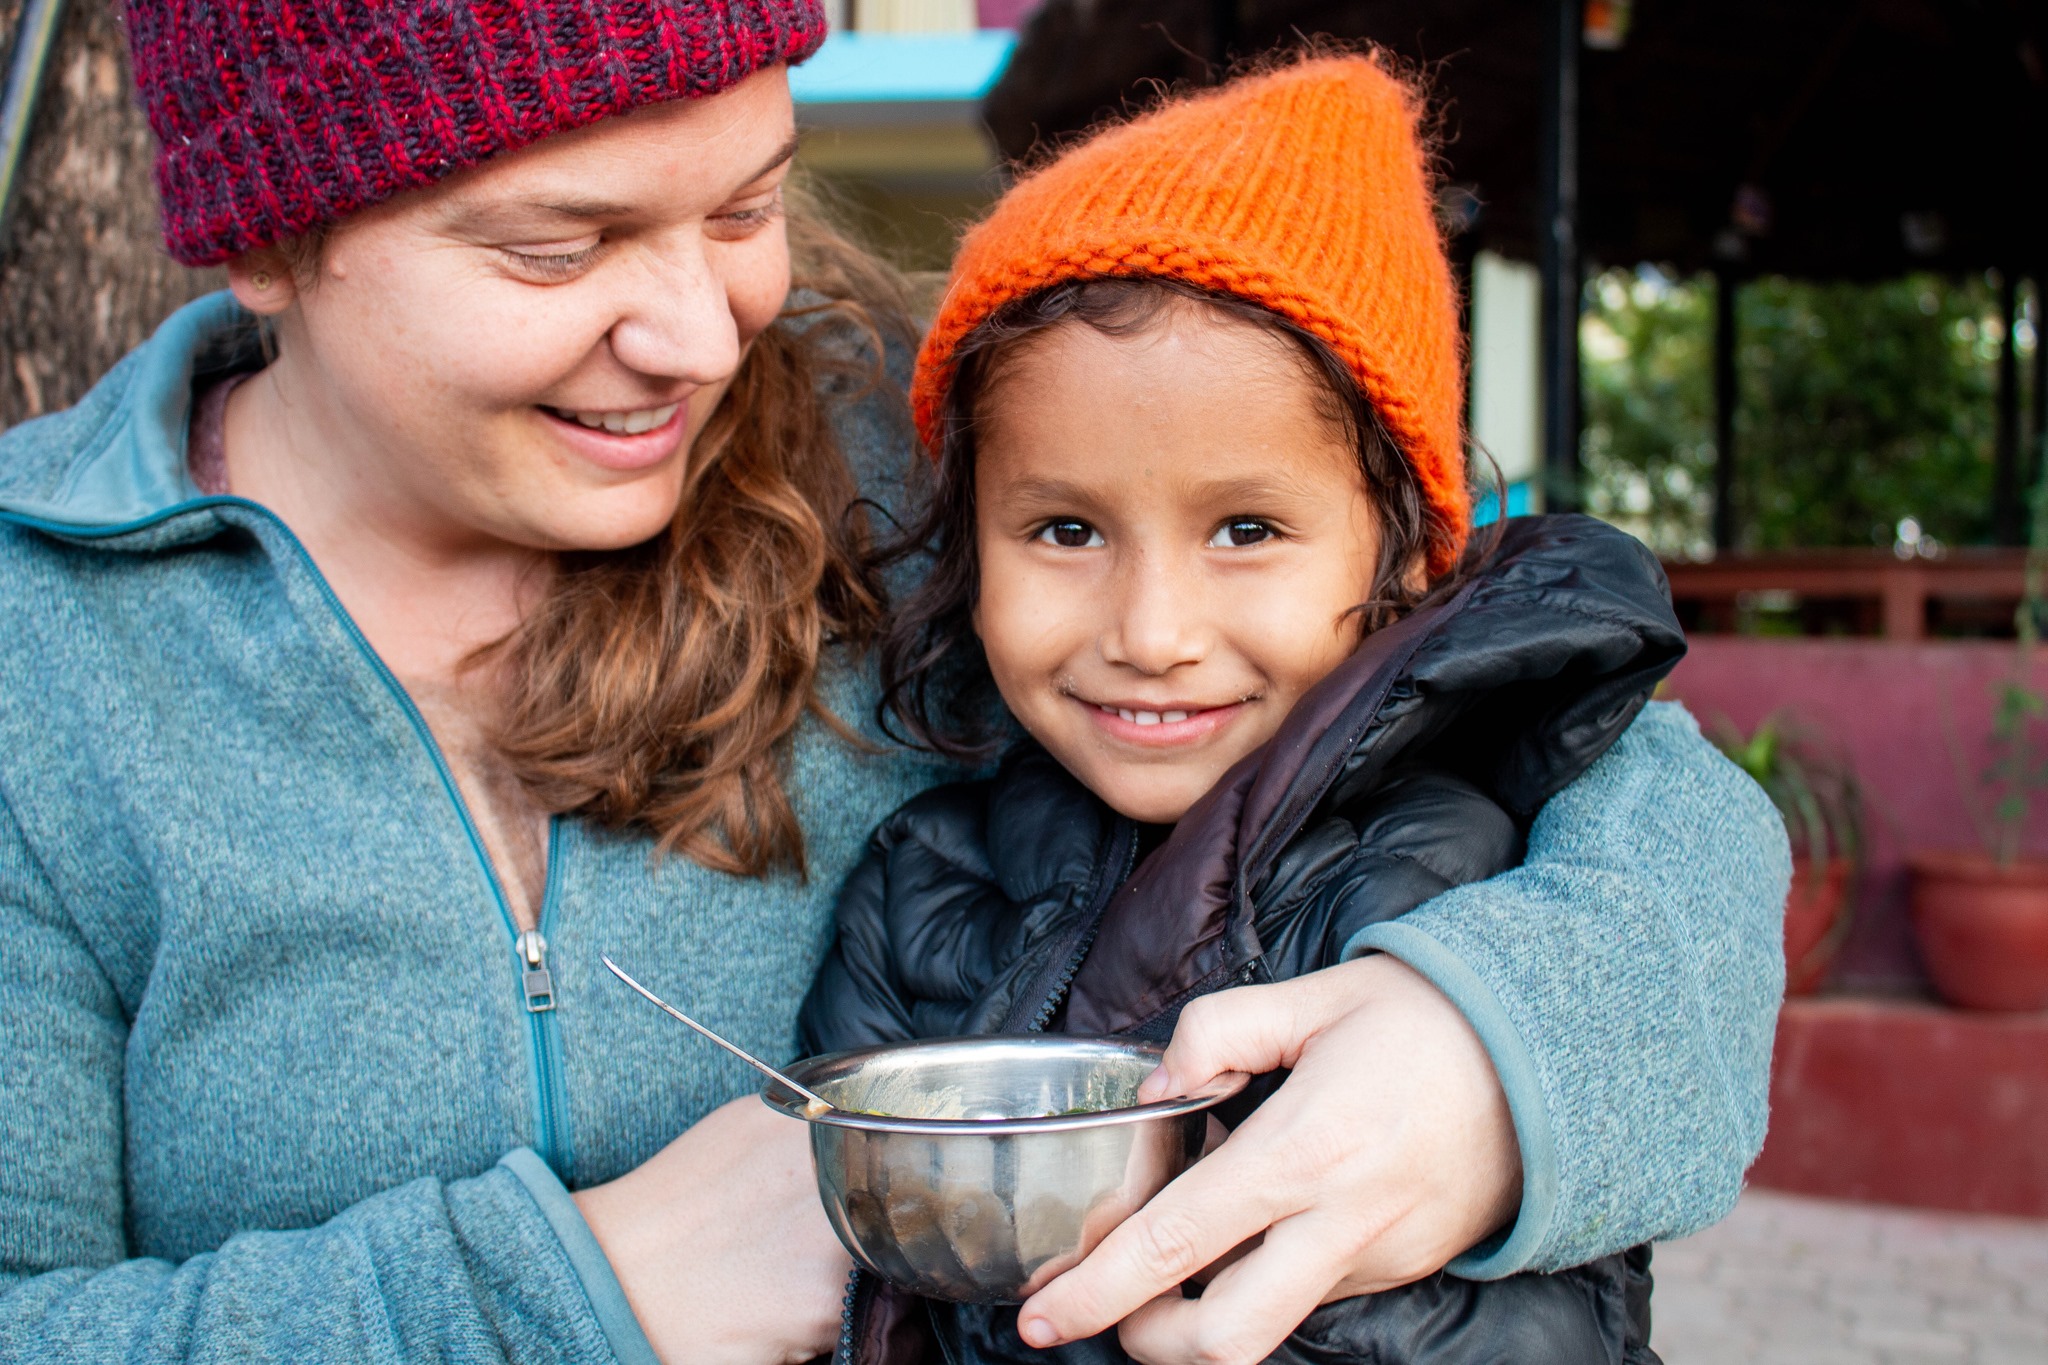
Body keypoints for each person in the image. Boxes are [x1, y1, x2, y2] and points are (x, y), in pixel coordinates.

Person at [0, 5, 1785, 1364]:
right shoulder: (42, 663)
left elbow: (1607, 771)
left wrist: (1497, 1048)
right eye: (558, 247)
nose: (700, 338)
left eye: (746, 205)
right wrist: (583, 1292)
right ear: (268, 238)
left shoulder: (913, 464)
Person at [798, 56, 1778, 1365]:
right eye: (1066, 527)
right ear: (966, 544)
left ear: (1404, 546)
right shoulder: (914, 881)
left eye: (1247, 528)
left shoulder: (1494, 883)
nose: (1151, 633)